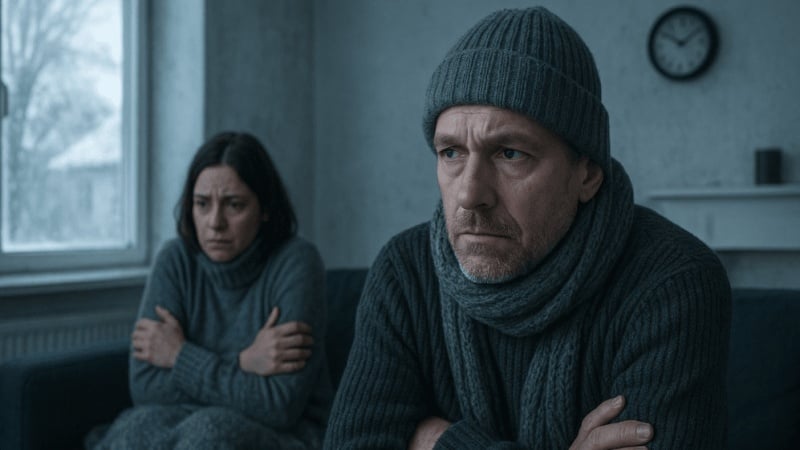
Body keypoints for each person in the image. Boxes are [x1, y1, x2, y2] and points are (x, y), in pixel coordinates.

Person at [324, 7, 731, 450]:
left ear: (587, 175)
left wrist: (439, 440)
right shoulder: (405, 271)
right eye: (451, 152)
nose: (469, 194)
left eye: (510, 153)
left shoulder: (673, 282)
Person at [88, 131, 331, 449]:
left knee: (210, 433)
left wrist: (178, 355)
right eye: (202, 204)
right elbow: (146, 388)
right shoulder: (175, 259)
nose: (215, 222)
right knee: (134, 431)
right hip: (184, 419)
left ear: (265, 208)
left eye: (234, 205)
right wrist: (242, 362)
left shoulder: (297, 262)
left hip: (289, 432)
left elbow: (279, 404)